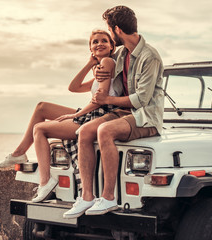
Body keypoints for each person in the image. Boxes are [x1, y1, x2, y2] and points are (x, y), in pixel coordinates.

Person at [63, 5, 164, 219]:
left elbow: (141, 100)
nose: (108, 35)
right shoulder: (120, 53)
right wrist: (96, 65)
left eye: (109, 31)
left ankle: (108, 197)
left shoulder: (149, 57)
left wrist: (106, 99)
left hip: (145, 117)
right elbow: (103, 68)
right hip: (122, 112)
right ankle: (87, 196)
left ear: (116, 30)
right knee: (84, 132)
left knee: (105, 131)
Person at [0, 29, 116, 168]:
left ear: (111, 46)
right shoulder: (99, 69)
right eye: (95, 42)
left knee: (40, 127)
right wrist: (89, 64)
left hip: (99, 115)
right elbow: (74, 87)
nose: (99, 44)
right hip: (92, 113)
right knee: (42, 107)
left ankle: (25, 159)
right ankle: (19, 153)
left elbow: (99, 100)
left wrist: (76, 114)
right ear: (90, 48)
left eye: (104, 41)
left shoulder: (107, 62)